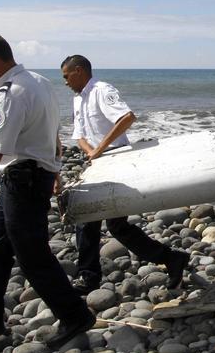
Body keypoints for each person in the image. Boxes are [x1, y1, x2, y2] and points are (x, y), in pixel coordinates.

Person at [0, 32, 95, 348]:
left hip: (24, 180)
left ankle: (75, 314)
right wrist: (55, 169)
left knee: (32, 255)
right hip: (29, 177)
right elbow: (52, 132)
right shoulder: (39, 83)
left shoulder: (10, 93)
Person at [60, 55, 190, 294]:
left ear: (79, 71)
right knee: (101, 222)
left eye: (66, 76)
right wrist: (91, 152)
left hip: (117, 158)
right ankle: (170, 259)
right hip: (97, 162)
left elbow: (126, 118)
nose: (65, 82)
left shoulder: (101, 90)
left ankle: (89, 277)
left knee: (105, 222)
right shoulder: (78, 99)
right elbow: (79, 134)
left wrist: (100, 149)